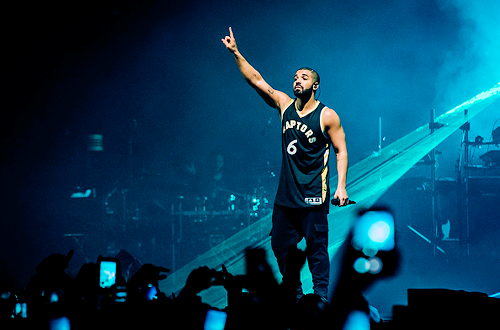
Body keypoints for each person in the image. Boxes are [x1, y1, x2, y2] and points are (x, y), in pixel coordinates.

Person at [221, 27, 349, 300]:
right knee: (281, 246)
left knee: (316, 249)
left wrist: (341, 187)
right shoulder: (284, 105)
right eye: (295, 77)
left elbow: (341, 151)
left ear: (315, 85)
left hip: (314, 194)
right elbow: (257, 80)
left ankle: (322, 298)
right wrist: (235, 53)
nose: (297, 81)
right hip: (286, 196)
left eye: (303, 78)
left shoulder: (327, 116)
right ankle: (296, 295)